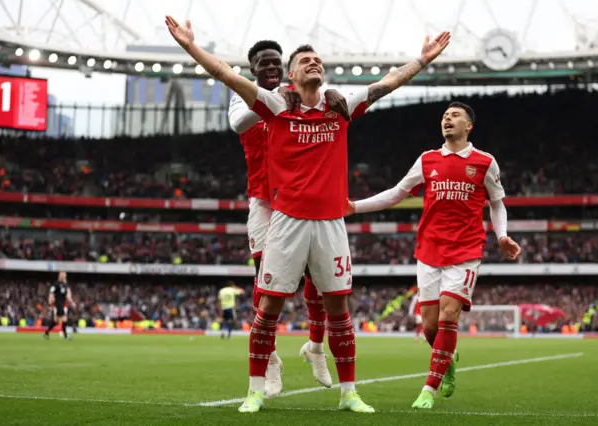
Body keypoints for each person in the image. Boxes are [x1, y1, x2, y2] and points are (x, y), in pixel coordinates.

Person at [165, 15, 450, 413]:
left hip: (331, 223)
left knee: (339, 309)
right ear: (292, 76)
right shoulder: (275, 104)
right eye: (305, 61)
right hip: (284, 220)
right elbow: (225, 75)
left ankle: (349, 392)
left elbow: (388, 84)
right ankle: (255, 389)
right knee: (267, 309)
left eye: (317, 60)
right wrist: (189, 46)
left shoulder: (341, 106)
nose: (314, 63)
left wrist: (421, 61)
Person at [348, 101, 521, 409]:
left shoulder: (484, 162)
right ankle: (449, 358)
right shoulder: (427, 160)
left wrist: (502, 236)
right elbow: (397, 193)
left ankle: (429, 388)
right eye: (444, 116)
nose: (447, 119)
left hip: (466, 249)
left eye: (454, 116)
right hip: (429, 249)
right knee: (429, 326)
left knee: (448, 315)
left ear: (469, 126)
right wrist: (355, 206)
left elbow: (497, 202)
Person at [228, 39, 349, 397]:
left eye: (276, 63)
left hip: (300, 201)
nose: (271, 67)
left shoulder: (303, 94)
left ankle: (315, 347)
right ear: (253, 71)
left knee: (318, 274)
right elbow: (238, 123)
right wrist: (279, 96)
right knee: (264, 283)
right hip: (265, 202)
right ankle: (271, 360)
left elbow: (322, 93)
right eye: (264, 63)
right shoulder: (245, 95)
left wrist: (330, 90)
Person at [43, 272, 76, 340]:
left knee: (56, 321)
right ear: (60, 276)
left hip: (63, 305)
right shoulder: (56, 284)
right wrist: (50, 301)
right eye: (63, 276)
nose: (64, 277)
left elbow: (67, 295)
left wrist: (72, 302)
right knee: (64, 319)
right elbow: (51, 293)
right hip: (58, 305)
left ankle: (46, 333)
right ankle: (65, 335)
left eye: (65, 276)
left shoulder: (65, 285)